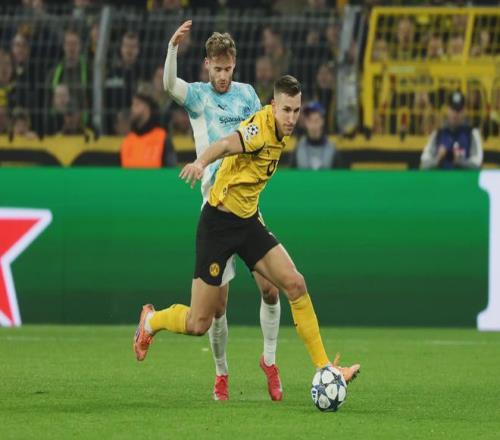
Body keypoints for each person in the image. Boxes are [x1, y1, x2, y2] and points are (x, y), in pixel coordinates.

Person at [134, 75, 361, 391]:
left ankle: (326, 369)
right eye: (286, 110)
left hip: (248, 222)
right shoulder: (259, 130)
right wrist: (200, 163)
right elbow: (226, 144)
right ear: (273, 106)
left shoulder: (281, 132)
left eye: (296, 111)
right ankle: (151, 321)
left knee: (295, 284)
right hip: (218, 225)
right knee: (198, 323)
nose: (292, 118)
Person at [158, 20, 283, 402]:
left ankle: (270, 361)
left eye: (228, 68)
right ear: (207, 65)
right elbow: (169, 85)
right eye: (217, 69)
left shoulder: (248, 96)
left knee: (271, 288)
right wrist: (172, 48)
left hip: (246, 205)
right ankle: (221, 373)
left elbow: (262, 134)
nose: (223, 75)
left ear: (234, 65)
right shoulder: (198, 96)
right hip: (216, 208)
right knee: (217, 307)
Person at [420, 90, 483, 170]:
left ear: (464, 111)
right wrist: (438, 159)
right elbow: (424, 163)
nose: (455, 114)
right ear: (447, 109)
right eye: (453, 109)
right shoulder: (438, 133)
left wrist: (460, 162)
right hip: (442, 177)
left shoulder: (472, 133)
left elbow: (477, 164)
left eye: (458, 110)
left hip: (463, 178)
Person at [120, 92, 176, 168]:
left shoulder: (162, 138)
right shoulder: (127, 140)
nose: (132, 109)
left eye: (136, 104)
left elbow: (171, 171)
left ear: (146, 107)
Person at [290, 101, 339, 170]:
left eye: (316, 120)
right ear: (306, 123)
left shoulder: (332, 150)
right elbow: (291, 175)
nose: (313, 126)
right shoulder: (298, 149)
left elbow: (340, 175)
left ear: (322, 121)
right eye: (310, 121)